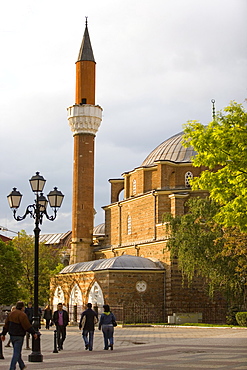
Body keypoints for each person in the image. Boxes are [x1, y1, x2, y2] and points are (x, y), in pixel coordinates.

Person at [1, 301, 38, 370]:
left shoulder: (10, 314)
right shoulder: (22, 315)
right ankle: (12, 367)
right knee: (16, 352)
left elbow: (6, 325)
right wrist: (33, 333)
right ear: (22, 307)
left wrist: (3, 334)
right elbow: (27, 326)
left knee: (16, 351)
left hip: (12, 335)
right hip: (19, 335)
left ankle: (22, 365)